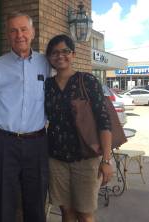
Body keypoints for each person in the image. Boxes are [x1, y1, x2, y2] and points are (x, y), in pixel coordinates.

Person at [0, 12, 50, 222]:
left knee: (36, 200)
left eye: (24, 29)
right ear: (7, 34)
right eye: (13, 30)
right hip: (5, 142)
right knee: (4, 200)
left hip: (37, 142)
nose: (19, 34)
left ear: (32, 32)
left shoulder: (46, 64)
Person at [44, 34, 113, 222]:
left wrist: (106, 160)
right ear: (49, 58)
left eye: (65, 51)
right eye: (54, 52)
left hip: (86, 158)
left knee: (85, 213)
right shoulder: (47, 86)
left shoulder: (87, 81)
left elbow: (104, 121)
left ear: (73, 54)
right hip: (56, 158)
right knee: (66, 211)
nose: (60, 56)